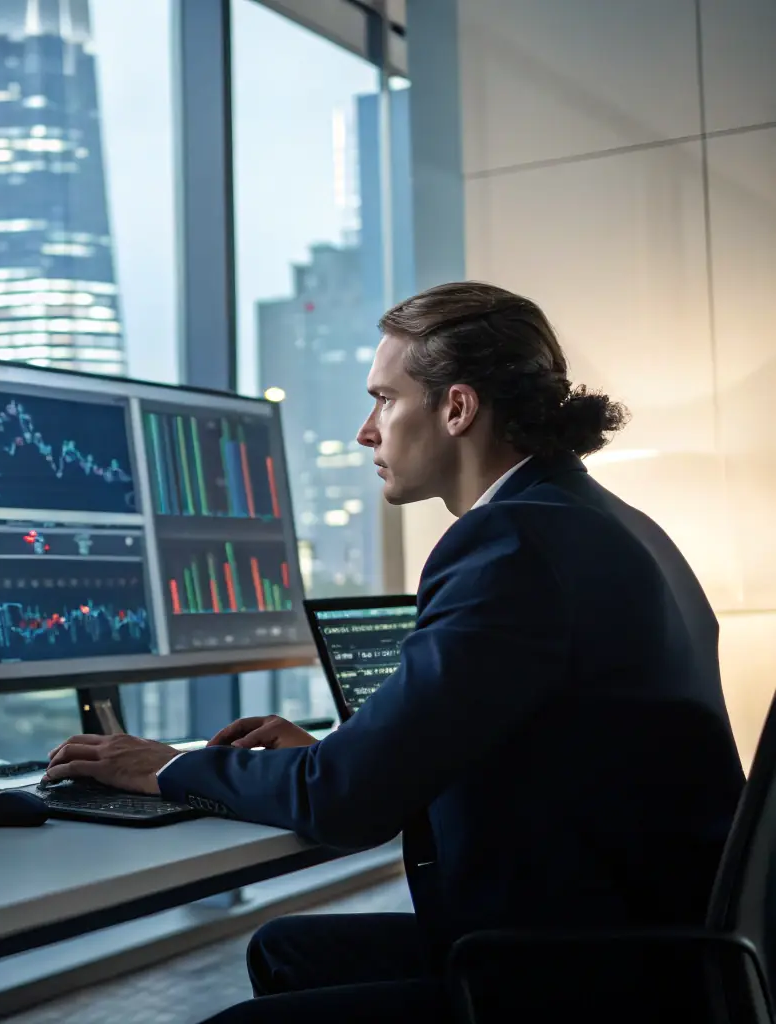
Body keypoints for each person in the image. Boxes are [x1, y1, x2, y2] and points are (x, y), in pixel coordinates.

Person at [43, 283, 746, 1022]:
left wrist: (166, 768)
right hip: (654, 935)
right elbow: (508, 745)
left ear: (456, 409)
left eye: (383, 399)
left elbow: (345, 804)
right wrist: (334, 756)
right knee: (285, 946)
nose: (365, 431)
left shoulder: (508, 543)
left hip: (589, 975)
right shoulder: (607, 519)